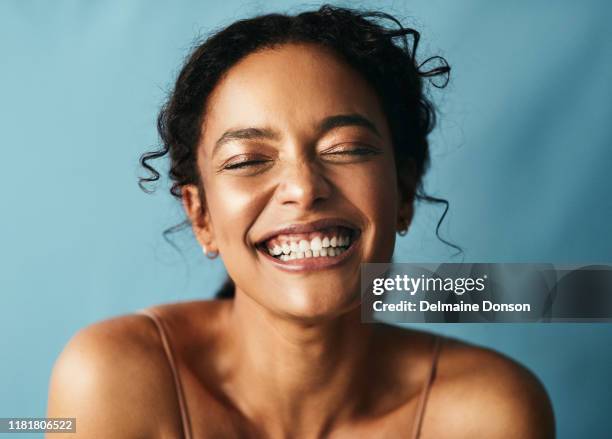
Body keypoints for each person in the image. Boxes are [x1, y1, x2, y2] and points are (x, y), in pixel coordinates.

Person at [46, 5, 555, 438]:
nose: (303, 187)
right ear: (200, 215)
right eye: (248, 160)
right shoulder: (111, 377)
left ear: (403, 192)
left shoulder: (490, 412)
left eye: (346, 150)